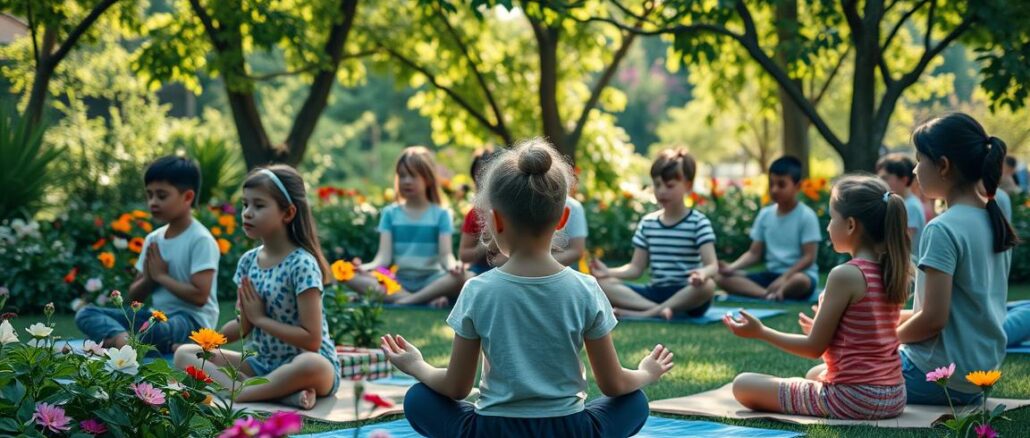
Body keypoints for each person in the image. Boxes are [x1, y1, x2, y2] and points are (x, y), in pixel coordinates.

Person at [381, 139, 674, 437]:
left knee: (418, 398)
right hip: (570, 430)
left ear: (494, 219)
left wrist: (417, 365)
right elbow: (614, 385)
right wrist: (647, 373)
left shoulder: (477, 290)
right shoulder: (585, 288)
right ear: (562, 219)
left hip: (491, 431)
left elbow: (457, 388)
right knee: (635, 402)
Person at [724, 175, 910, 420]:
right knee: (815, 373)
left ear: (851, 225)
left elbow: (813, 347)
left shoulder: (845, 275)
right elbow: (868, 334)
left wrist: (760, 331)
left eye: (832, 218)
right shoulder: (891, 270)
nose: (828, 226)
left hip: (854, 400)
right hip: (894, 396)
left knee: (743, 384)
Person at [174, 165, 340, 410]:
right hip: (261, 364)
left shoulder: (302, 264)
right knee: (186, 354)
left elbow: (312, 340)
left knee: (312, 364)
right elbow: (243, 325)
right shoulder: (248, 262)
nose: (247, 213)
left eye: (259, 206)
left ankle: (239, 392)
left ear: (288, 213)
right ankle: (276, 393)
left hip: (305, 364)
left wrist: (260, 319)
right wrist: (209, 343)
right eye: (245, 205)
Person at [898, 113, 1017, 405]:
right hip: (978, 378)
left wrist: (882, 342)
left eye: (919, 159)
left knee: (819, 373)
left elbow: (932, 320)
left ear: (943, 166)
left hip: (933, 375)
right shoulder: (995, 213)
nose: (914, 170)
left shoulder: (943, 228)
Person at [76, 156, 219, 354]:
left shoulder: (200, 239)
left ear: (187, 197)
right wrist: (150, 278)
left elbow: (200, 296)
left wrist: (161, 276)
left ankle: (122, 342)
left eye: (161, 196)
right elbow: (134, 298)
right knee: (86, 313)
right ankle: (123, 340)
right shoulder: (153, 239)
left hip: (191, 322)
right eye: (150, 195)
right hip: (155, 316)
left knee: (158, 329)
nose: (153, 202)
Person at [590, 148, 717, 319]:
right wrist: (609, 272)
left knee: (708, 286)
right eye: (657, 185)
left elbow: (712, 265)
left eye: (670, 185)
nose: (662, 191)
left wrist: (702, 274)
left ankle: (648, 313)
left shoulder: (698, 222)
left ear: (688, 186)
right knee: (599, 284)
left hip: (688, 293)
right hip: (655, 292)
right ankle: (659, 310)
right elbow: (635, 268)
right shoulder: (648, 223)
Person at [342, 146, 466, 307]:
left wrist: (453, 266)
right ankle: (422, 299)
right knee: (348, 274)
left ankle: (406, 300)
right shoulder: (390, 214)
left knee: (466, 277)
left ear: (427, 179)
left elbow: (446, 255)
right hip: (397, 280)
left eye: (413, 176)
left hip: (432, 280)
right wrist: (364, 268)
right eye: (402, 176)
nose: (406, 181)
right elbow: (383, 258)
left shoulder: (441, 214)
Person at [717, 156, 822, 301]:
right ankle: (766, 294)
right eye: (771, 184)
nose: (774, 189)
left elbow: (809, 257)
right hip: (771, 275)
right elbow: (754, 253)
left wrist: (785, 278)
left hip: (798, 275)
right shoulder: (765, 214)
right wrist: (732, 268)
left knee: (801, 281)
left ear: (797, 186)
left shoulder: (806, 216)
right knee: (721, 278)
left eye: (781, 185)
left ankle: (776, 291)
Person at [876, 153, 927, 259]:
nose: (881, 182)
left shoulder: (911, 206)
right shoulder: (905, 203)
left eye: (885, 178)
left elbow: (902, 244)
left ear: (904, 179)